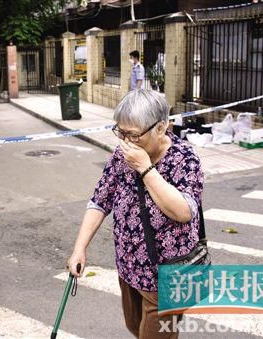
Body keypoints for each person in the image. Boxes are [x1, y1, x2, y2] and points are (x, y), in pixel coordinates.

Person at [67, 90, 204, 339]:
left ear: (161, 128)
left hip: (168, 276)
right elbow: (99, 201)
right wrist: (79, 248)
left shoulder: (185, 159)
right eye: (121, 133)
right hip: (130, 268)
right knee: (135, 327)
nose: (127, 142)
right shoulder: (122, 156)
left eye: (134, 135)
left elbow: (184, 212)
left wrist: (145, 168)